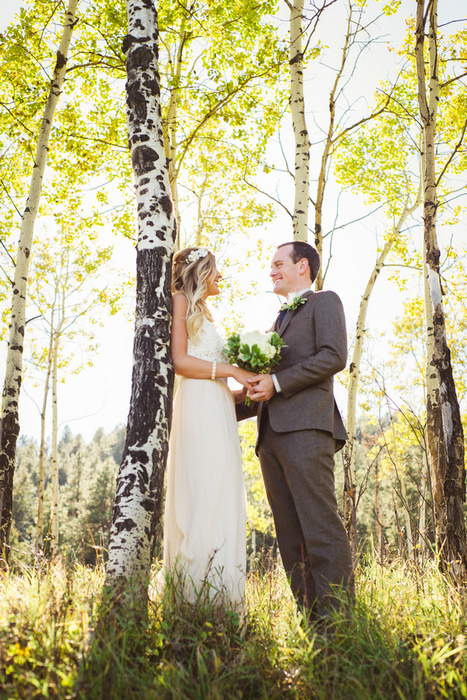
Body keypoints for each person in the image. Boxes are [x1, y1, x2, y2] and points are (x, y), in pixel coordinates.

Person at [238, 240, 353, 623]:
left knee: (320, 527)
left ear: (302, 265)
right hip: (268, 436)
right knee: (289, 537)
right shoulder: (275, 322)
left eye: (277, 264)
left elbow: (334, 356)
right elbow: (263, 385)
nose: (271, 271)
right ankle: (310, 620)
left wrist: (279, 382)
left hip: (306, 429)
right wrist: (208, 405)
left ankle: (338, 624)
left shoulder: (325, 301)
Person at [161, 246, 254, 607]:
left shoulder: (206, 313)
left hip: (218, 406)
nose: (220, 277)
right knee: (202, 491)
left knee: (221, 492)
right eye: (216, 270)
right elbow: (181, 361)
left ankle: (221, 594)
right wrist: (232, 370)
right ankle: (191, 596)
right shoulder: (180, 300)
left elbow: (215, 375)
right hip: (196, 405)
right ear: (200, 271)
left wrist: (250, 390)